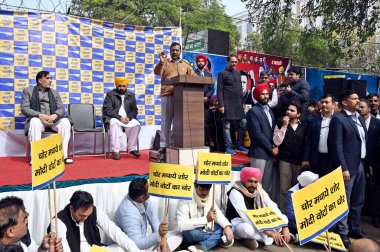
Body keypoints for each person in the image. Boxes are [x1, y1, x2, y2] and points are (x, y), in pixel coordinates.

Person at [328, 90, 367, 248]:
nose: (358, 101)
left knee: (358, 199)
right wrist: (343, 167)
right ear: (345, 102)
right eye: (354, 98)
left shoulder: (360, 118)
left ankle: (354, 228)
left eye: (358, 98)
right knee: (344, 200)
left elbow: (363, 142)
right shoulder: (338, 119)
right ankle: (342, 232)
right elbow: (337, 146)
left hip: (361, 164)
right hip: (347, 167)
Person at [225, 167, 297, 250]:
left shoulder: (259, 189)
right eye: (250, 181)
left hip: (259, 221)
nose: (253, 185)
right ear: (244, 180)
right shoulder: (235, 192)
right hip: (240, 222)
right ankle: (275, 238)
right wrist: (269, 232)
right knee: (247, 229)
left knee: (283, 218)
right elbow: (245, 215)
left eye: (255, 182)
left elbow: (272, 205)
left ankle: (253, 239)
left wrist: (284, 226)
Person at [50, 191, 140, 252]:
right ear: (72, 208)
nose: (85, 218)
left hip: (95, 249)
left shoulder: (95, 211)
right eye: (82, 216)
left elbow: (115, 232)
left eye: (88, 215)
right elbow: (64, 249)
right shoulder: (58, 222)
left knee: (123, 248)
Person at [114, 178, 181, 251]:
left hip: (146, 238)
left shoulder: (140, 197)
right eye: (149, 191)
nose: (151, 191)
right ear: (142, 197)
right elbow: (137, 244)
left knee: (177, 235)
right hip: (133, 247)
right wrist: (158, 234)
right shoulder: (128, 213)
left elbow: (154, 219)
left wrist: (162, 239)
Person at [21, 71, 73, 164]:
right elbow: (24, 109)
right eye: (47, 78)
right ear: (40, 80)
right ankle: (35, 157)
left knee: (65, 122)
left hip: (53, 120)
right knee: (34, 121)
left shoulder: (54, 92)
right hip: (39, 120)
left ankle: (64, 156)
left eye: (51, 78)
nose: (50, 81)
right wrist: (39, 115)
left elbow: (61, 108)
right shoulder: (28, 91)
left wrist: (55, 115)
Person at [154, 42, 195, 154]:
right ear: (170, 52)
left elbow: (194, 77)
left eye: (177, 50)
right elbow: (157, 72)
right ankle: (164, 145)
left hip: (181, 96)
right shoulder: (165, 63)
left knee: (179, 122)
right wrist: (161, 62)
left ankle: (177, 144)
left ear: (180, 52)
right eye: (173, 50)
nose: (175, 52)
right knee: (166, 121)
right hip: (167, 94)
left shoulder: (186, 64)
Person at [177, 183, 234, 252]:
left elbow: (218, 214)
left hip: (206, 230)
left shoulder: (209, 196)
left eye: (207, 189)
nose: (205, 192)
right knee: (191, 234)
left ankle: (202, 246)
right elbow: (181, 225)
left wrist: (227, 226)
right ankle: (216, 240)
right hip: (193, 233)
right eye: (201, 189)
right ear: (195, 186)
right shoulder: (185, 198)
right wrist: (206, 219)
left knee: (229, 227)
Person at [273, 101, 308, 212]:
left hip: (298, 162)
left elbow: (307, 143)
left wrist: (305, 159)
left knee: (297, 190)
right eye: (288, 109)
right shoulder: (280, 122)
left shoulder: (304, 126)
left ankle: (295, 214)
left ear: (298, 114)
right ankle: (283, 214)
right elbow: (276, 141)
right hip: (285, 161)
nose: (288, 112)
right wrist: (284, 126)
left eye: (292, 110)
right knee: (284, 189)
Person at [246, 84, 277, 197]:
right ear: (258, 96)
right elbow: (257, 134)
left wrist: (274, 147)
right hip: (259, 152)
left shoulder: (270, 111)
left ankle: (263, 208)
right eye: (262, 94)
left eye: (266, 94)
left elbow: (272, 131)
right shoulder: (253, 112)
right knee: (255, 185)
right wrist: (271, 148)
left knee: (265, 185)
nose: (265, 96)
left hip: (268, 153)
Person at [102, 77, 141, 160]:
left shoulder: (131, 95)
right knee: (113, 122)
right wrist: (119, 117)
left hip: (127, 118)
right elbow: (107, 109)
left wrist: (129, 117)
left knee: (137, 124)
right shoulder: (110, 94)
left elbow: (134, 110)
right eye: (119, 86)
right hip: (115, 117)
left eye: (124, 86)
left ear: (126, 86)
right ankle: (115, 151)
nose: (121, 88)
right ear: (116, 85)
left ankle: (132, 148)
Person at [217, 55, 248, 154]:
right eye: (232, 62)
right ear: (228, 62)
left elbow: (240, 89)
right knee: (227, 126)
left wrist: (243, 102)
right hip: (227, 104)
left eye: (235, 62)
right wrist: (221, 105)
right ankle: (228, 147)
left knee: (243, 123)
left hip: (238, 103)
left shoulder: (238, 73)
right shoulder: (222, 73)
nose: (234, 64)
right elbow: (219, 90)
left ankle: (239, 145)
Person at [358, 99, 380, 228]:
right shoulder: (356, 122)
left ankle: (375, 216)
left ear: (369, 109)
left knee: (375, 190)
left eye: (362, 107)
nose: (360, 109)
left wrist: (373, 163)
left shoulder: (377, 123)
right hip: (360, 160)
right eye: (359, 107)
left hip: (374, 161)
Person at [302, 94, 336, 176]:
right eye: (322, 102)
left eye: (327, 102)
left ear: (334, 104)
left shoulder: (339, 119)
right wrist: (305, 158)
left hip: (333, 160)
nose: (324, 104)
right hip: (317, 159)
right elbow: (309, 140)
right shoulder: (315, 120)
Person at [194, 54, 214, 147]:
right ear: (196, 62)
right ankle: (199, 141)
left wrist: (207, 97)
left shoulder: (209, 74)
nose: (200, 63)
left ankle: (209, 141)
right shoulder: (193, 73)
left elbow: (212, 88)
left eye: (202, 61)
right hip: (196, 102)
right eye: (199, 61)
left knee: (207, 122)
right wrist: (199, 97)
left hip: (207, 102)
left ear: (205, 63)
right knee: (197, 122)